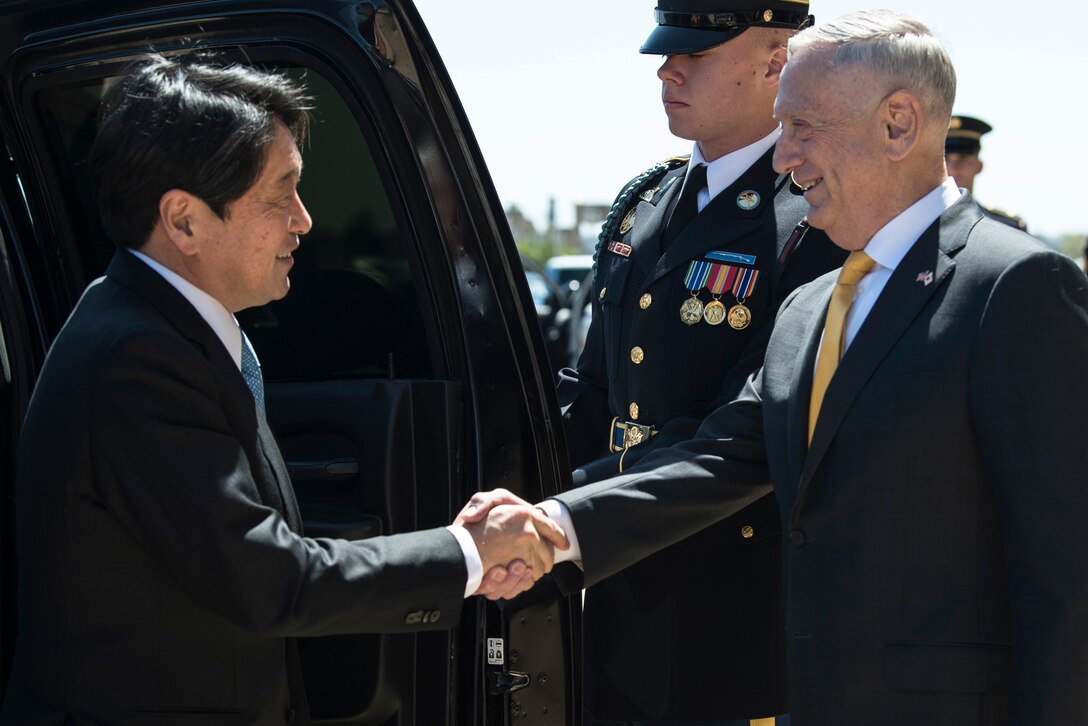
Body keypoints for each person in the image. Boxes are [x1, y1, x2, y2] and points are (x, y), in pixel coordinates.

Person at [470, 9, 1088, 724]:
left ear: (897, 124)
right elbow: (728, 446)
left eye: (804, 128)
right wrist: (545, 522)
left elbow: (1066, 581)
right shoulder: (812, 308)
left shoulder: (1015, 287)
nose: (786, 157)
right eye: (784, 127)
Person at [0, 55, 565, 725]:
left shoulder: (165, 327)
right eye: (280, 194)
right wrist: (469, 550)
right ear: (182, 221)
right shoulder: (136, 357)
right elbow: (271, 581)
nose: (304, 220)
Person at [555, 1, 847, 723]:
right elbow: (592, 393)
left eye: (698, 53)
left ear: (775, 62)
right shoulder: (643, 204)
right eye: (668, 49)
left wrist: (563, 512)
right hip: (620, 596)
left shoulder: (813, 221)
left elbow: (747, 427)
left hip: (731, 612)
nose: (668, 68)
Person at [945, 114, 1027, 230]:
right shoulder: (917, 223)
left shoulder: (1006, 227)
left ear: (979, 166)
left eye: (962, 160)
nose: (953, 169)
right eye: (945, 160)